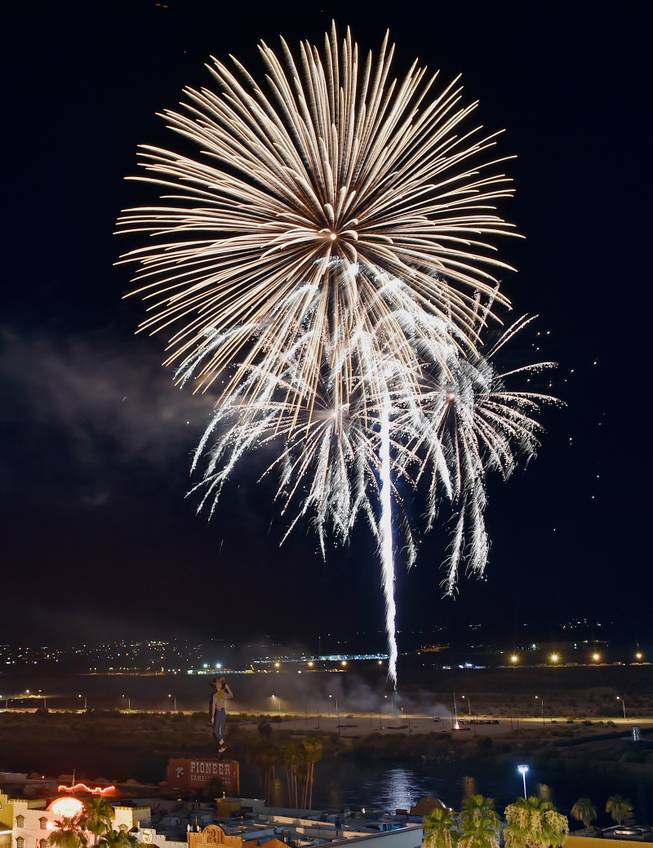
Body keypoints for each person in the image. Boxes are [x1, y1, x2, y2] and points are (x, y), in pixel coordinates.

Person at [209, 676, 233, 754]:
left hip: (222, 712)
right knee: (216, 731)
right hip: (217, 713)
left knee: (221, 732)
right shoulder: (214, 695)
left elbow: (231, 696)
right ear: (215, 685)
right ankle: (223, 745)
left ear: (221, 685)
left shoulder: (223, 693)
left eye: (219, 684)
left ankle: (222, 748)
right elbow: (213, 706)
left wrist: (228, 688)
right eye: (216, 684)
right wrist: (212, 717)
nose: (218, 685)